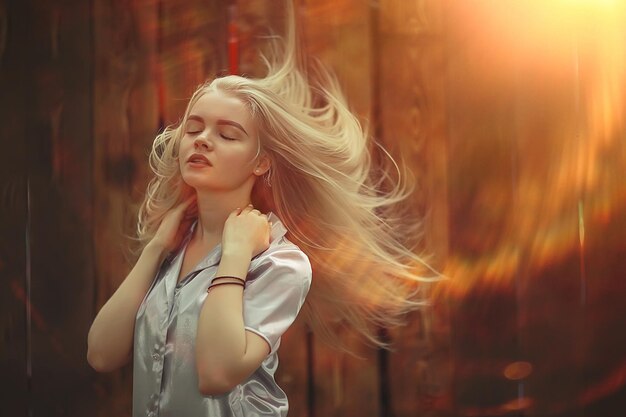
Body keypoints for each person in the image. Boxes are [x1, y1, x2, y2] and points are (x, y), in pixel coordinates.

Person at [87, 2, 435, 416]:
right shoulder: (171, 249)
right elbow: (102, 355)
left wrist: (233, 257)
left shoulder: (280, 263)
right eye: (193, 128)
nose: (201, 140)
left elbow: (216, 373)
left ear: (261, 161)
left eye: (227, 134)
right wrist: (154, 250)